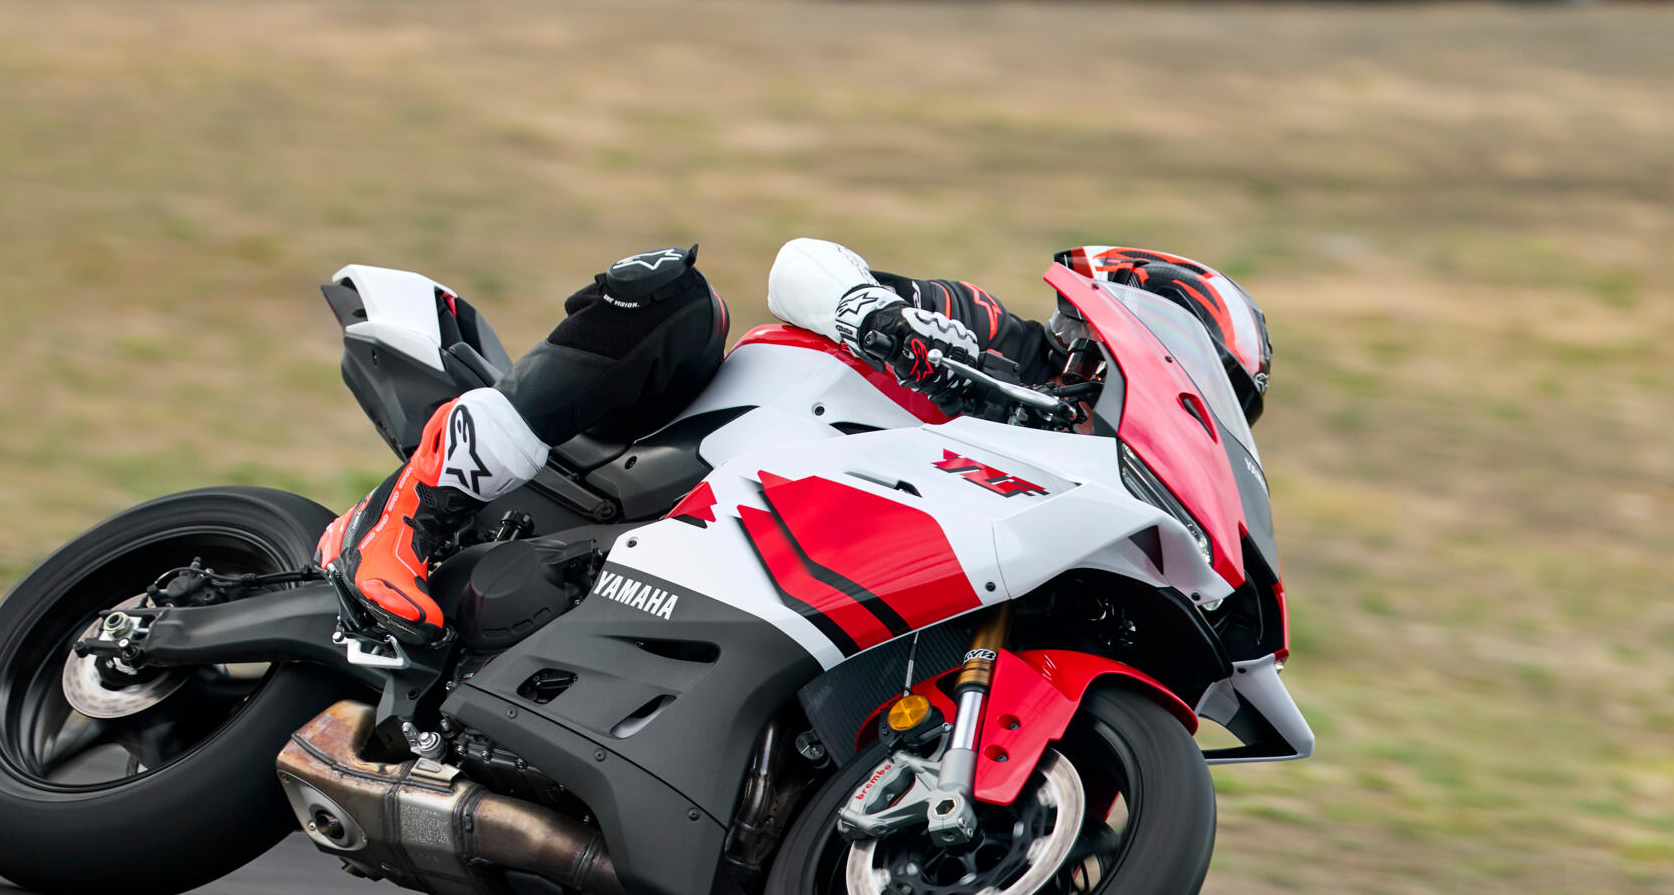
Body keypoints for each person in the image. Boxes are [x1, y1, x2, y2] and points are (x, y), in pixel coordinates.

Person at [325, 238, 1269, 645]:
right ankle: (409, 517)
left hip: (807, 558)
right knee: (678, 295)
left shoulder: (1072, 485)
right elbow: (801, 263)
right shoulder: (993, 332)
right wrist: (878, 317)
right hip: (683, 443)